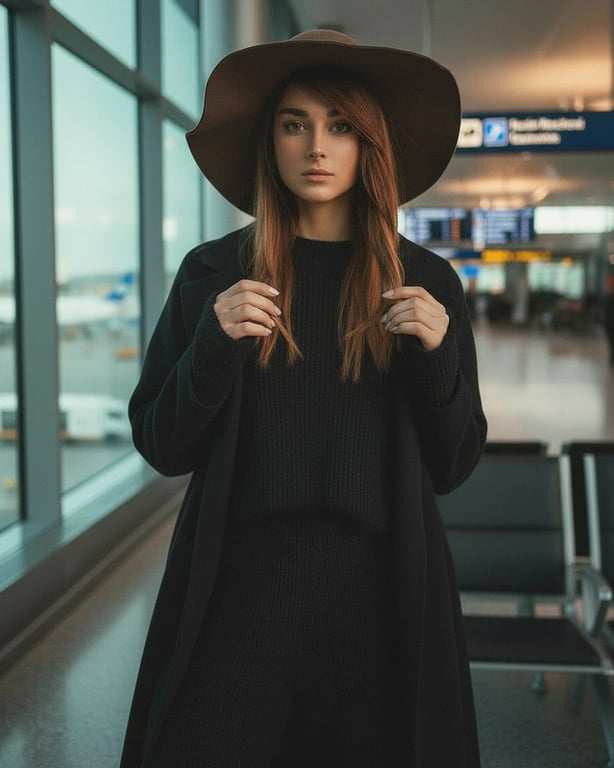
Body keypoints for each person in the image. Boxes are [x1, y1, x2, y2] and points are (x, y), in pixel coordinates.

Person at [121, 28, 487, 768]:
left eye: (341, 126)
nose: (316, 147)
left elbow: (452, 463)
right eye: (295, 124)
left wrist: (437, 352)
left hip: (380, 591)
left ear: (369, 145)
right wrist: (212, 348)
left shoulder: (425, 282)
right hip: (239, 587)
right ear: (271, 140)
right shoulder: (212, 272)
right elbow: (163, 445)